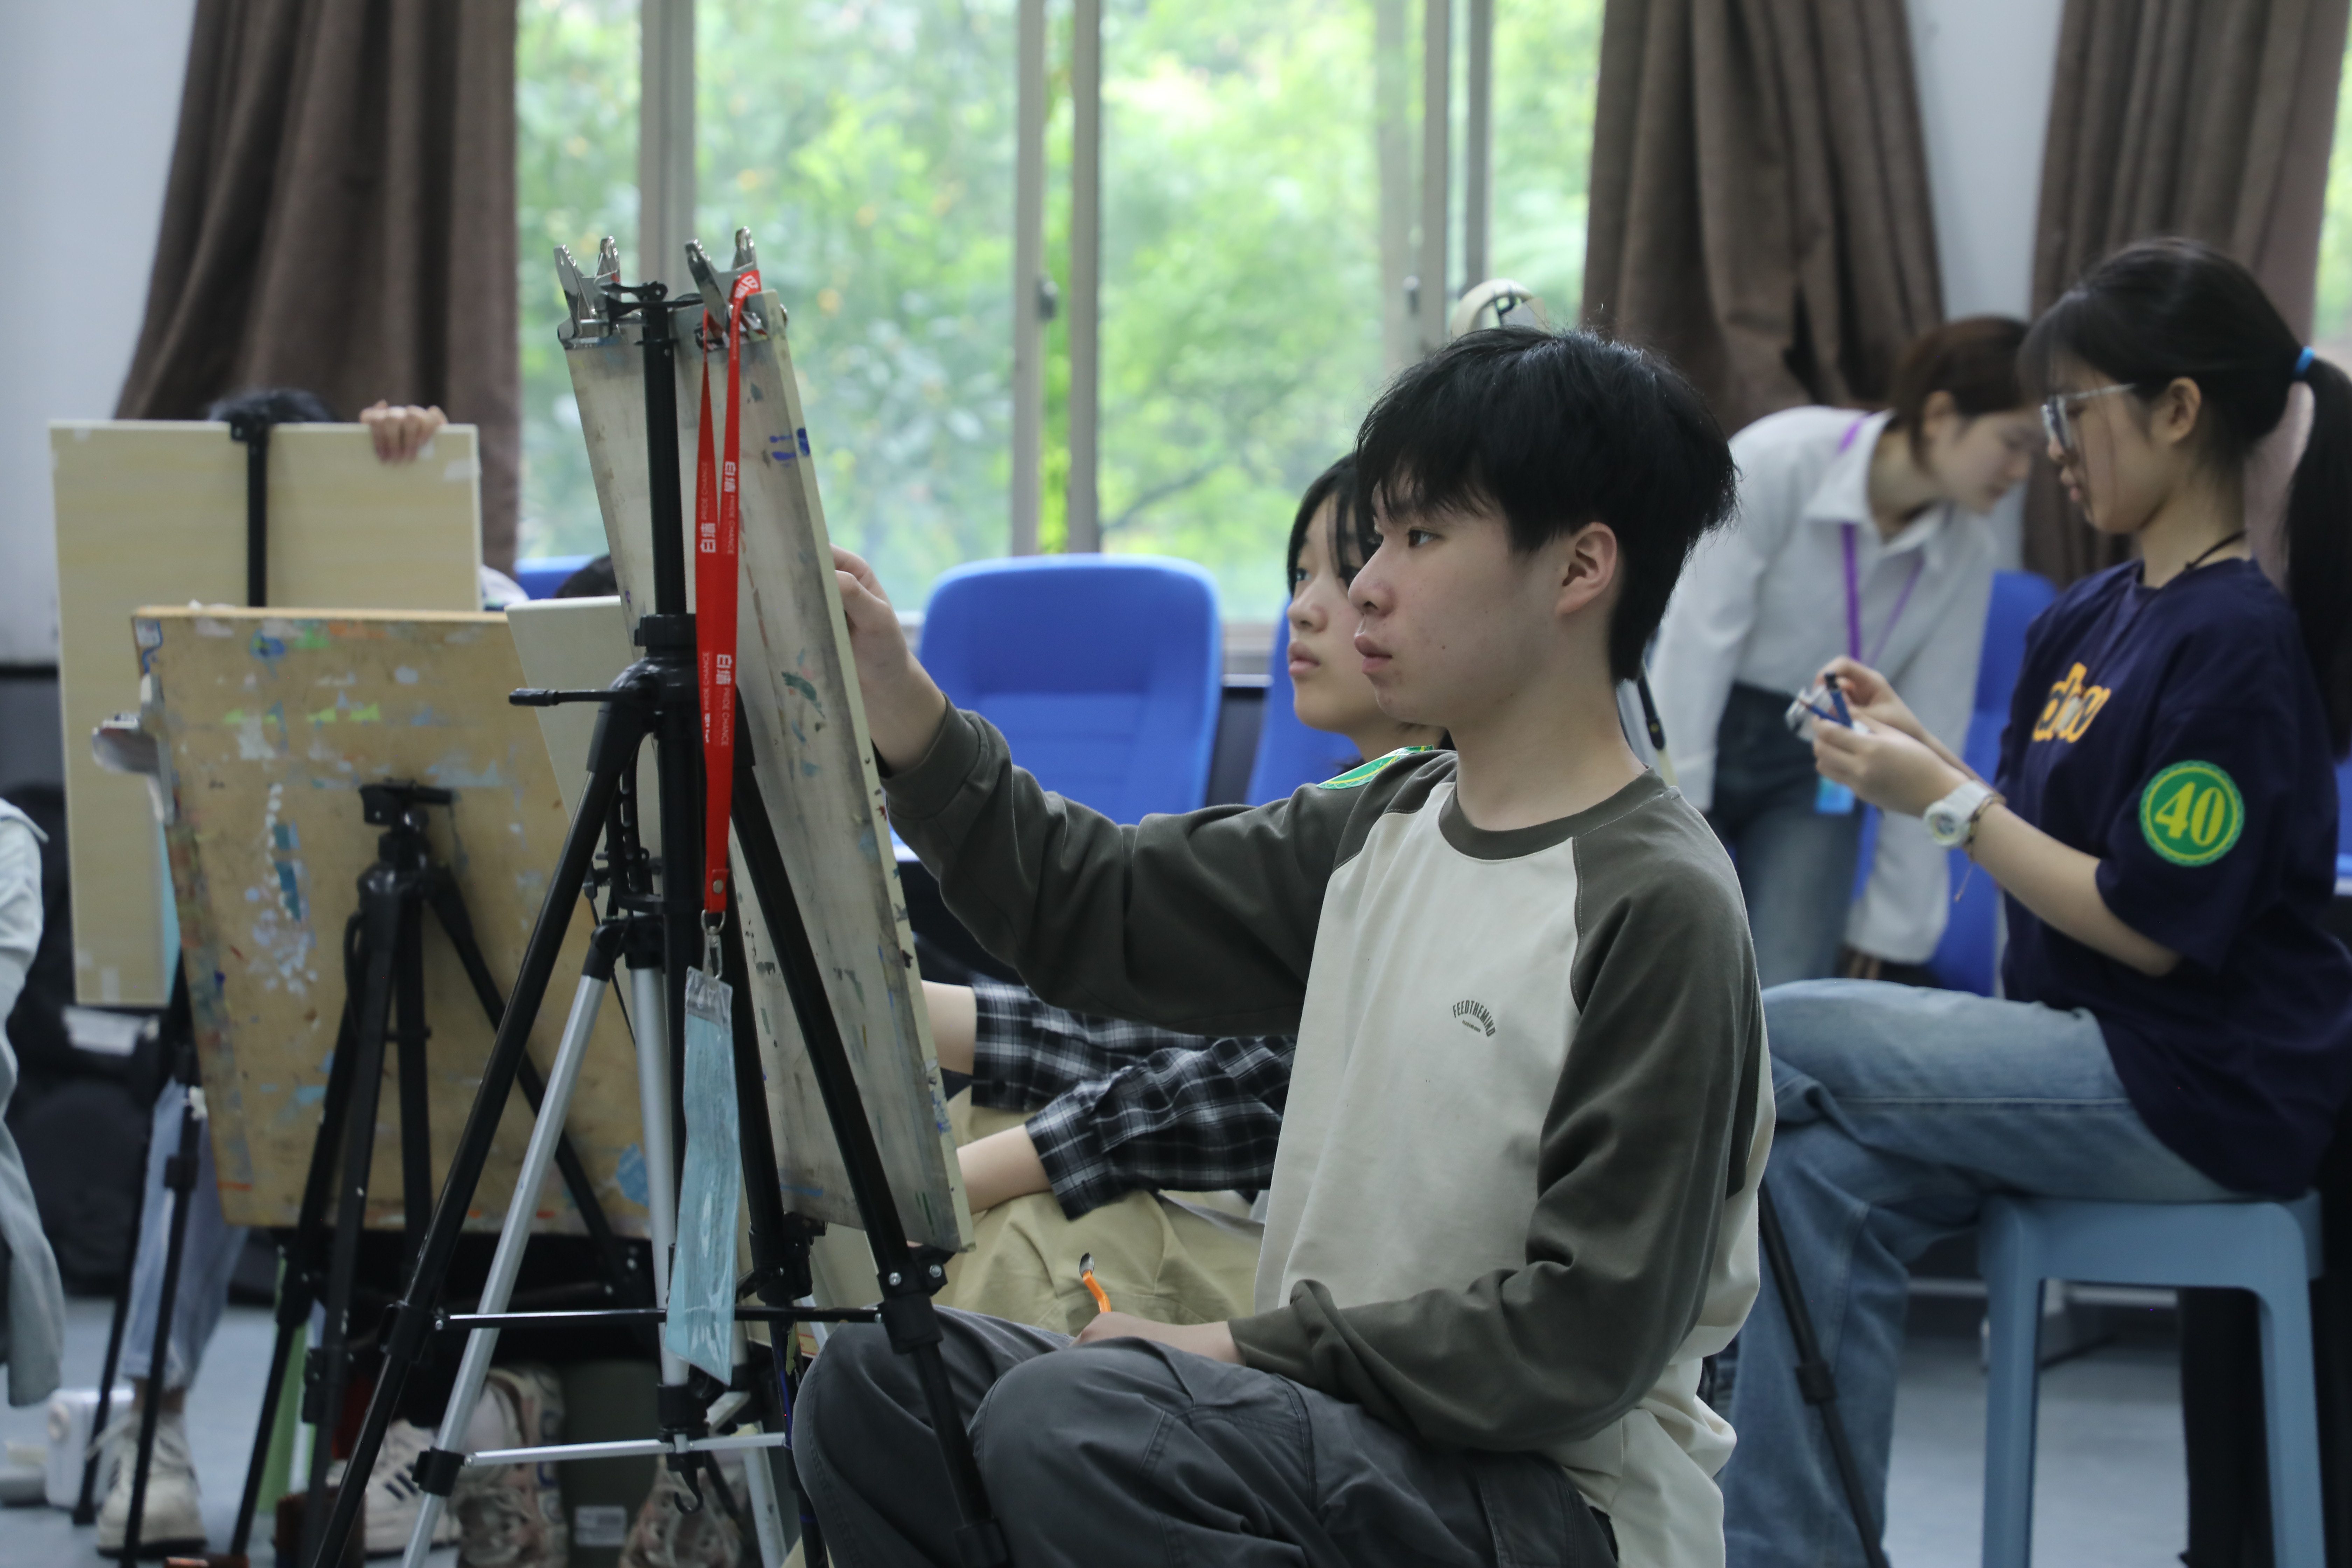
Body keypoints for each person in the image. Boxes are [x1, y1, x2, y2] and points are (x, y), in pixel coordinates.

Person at [796, 326, 1771, 1568]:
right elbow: (1096, 907)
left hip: (1554, 1503)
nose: (1367, 587)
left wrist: (1234, 1348)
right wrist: (901, 702)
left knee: (1079, 1420)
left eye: (1421, 539)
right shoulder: (1384, 820)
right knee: (881, 1384)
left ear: (1580, 567)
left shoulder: (1657, 904)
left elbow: (1577, 1341)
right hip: (1335, 1430)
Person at [1719, 238, 2352, 1567]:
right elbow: (2042, 838)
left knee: (1771, 1029)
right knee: (1814, 1178)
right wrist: (1923, 758)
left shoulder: (2237, 642)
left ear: (2178, 410)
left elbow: (2150, 929)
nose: (2053, 448)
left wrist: (1942, 802)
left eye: (2074, 411)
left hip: (2196, 1086)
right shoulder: (2092, 615)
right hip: (2080, 1055)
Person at [93, 387, 521, 1558]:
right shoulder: (187, 624)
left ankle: (404, 1420)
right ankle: (150, 1414)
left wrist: (410, 497)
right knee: (200, 1080)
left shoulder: (469, 591)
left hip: (447, 965)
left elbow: (518, 674)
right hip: (273, 969)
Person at [922, 454, 1446, 1334]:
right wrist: (910, 1011)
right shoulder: (1356, 801)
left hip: (1374, 1302)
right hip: (1297, 1228)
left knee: (1025, 1229)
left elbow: (1253, 1088)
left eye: (1353, 569)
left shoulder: (1428, 829)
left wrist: (962, 1182)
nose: (1307, 606)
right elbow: (1191, 1033)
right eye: (1301, 574)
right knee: (983, 1115)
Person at [1650, 318, 2041, 985]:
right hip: (1699, 718)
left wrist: (1891, 926)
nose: (2023, 472)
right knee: (1671, 958)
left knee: (1794, 984)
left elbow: (1933, 720)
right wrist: (1673, 801)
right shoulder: (1784, 457)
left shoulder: (1967, 550)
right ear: (1940, 415)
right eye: (2013, 443)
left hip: (1818, 756)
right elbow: (1697, 640)